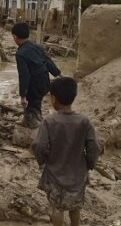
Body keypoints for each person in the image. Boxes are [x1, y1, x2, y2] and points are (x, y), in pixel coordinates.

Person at [31, 76, 100, 226]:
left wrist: (43, 161)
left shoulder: (49, 121)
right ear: (74, 96)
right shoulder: (84, 121)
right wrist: (90, 164)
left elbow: (39, 146)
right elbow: (94, 146)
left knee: (57, 208)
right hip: (78, 174)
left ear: (53, 98)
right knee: (75, 208)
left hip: (55, 173)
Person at [12, 22, 61, 128]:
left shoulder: (20, 54)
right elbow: (47, 61)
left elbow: (24, 75)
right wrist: (58, 74)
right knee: (35, 103)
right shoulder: (37, 46)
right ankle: (28, 120)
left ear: (15, 37)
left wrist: (23, 95)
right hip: (44, 81)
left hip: (34, 83)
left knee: (33, 105)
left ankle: (37, 126)